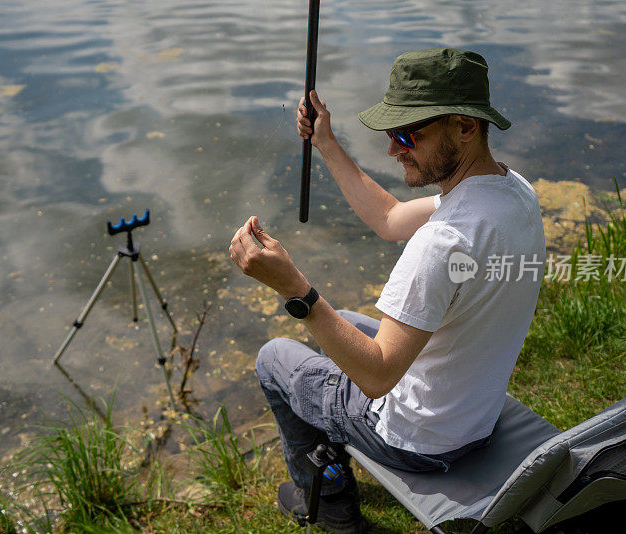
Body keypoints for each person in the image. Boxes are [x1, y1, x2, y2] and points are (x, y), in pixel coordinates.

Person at [229, 47, 546, 533]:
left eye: (406, 134)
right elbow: (390, 218)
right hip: (471, 415)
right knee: (351, 322)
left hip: (421, 439)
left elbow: (376, 378)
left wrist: (295, 289)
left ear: (464, 126)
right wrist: (326, 142)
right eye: (390, 133)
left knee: (275, 358)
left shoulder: (444, 243)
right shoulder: (512, 190)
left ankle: (331, 504)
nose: (394, 149)